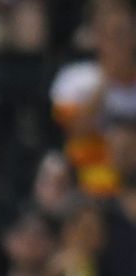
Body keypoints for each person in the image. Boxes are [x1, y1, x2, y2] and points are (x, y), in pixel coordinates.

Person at [52, 0, 136, 196]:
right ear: (99, 38)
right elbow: (74, 131)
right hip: (86, 179)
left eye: (124, 34)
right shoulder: (74, 78)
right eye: (111, 35)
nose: (118, 43)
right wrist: (106, 79)